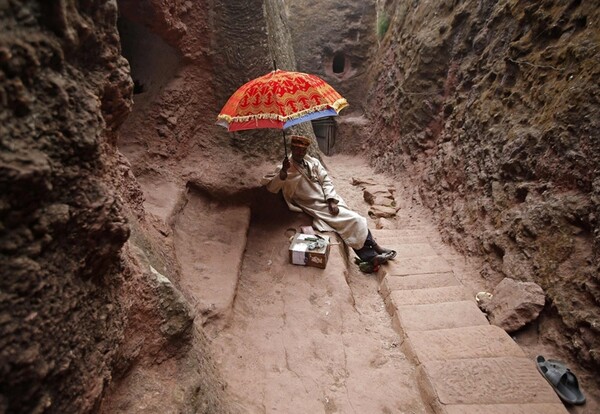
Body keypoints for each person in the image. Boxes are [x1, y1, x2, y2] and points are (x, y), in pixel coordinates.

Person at [263, 134, 396, 271]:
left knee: (350, 220)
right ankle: (374, 249)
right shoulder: (285, 167)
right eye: (297, 149)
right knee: (355, 220)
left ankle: (371, 255)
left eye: (303, 150)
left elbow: (326, 180)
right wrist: (283, 172)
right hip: (314, 205)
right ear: (291, 148)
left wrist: (331, 200)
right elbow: (272, 187)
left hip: (327, 199)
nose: (300, 152)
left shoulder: (313, 162)